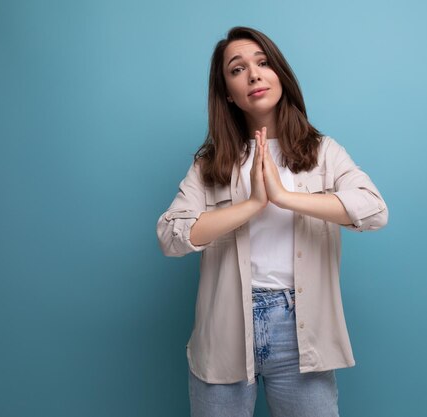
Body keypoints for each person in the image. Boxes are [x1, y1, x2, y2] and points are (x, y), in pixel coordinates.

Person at [156, 26, 388, 417]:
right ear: (228, 92)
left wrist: (284, 198)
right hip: (224, 328)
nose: (253, 74)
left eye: (263, 63)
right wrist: (251, 205)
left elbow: (374, 210)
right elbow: (170, 236)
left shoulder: (323, 152)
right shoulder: (210, 162)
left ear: (280, 73)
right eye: (237, 69)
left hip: (302, 330)